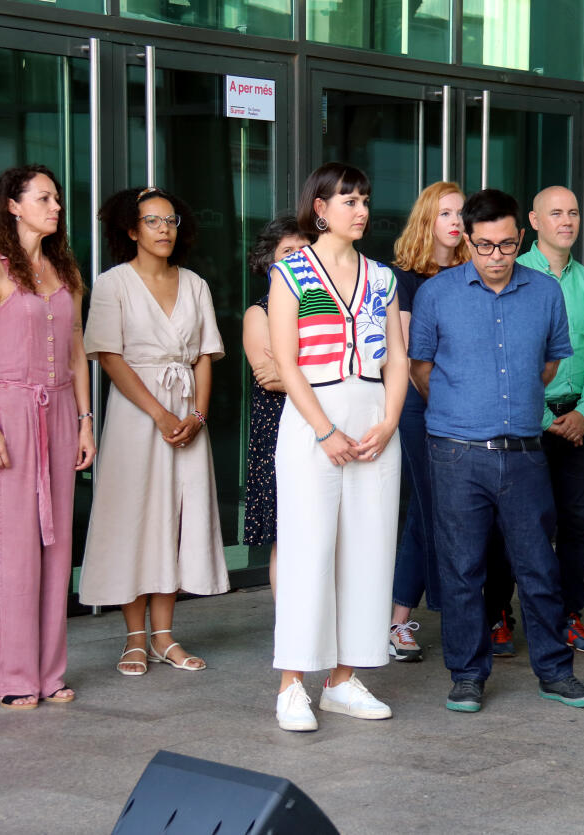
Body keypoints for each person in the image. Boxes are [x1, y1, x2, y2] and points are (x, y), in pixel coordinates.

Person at [409, 188, 584, 714]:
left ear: (522, 239)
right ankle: (468, 676)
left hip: (523, 451)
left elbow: (549, 365)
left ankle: (556, 673)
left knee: (538, 564)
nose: (496, 258)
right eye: (485, 247)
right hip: (455, 452)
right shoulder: (436, 294)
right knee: (464, 568)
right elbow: (421, 369)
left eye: (508, 247)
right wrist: (464, 407)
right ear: (467, 240)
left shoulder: (544, 293)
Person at [268, 163, 407, 733]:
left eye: (365, 199)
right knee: (308, 549)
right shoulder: (291, 273)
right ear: (319, 208)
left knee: (370, 551)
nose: (361, 209)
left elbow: (397, 357)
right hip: (312, 419)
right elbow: (286, 361)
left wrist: (390, 420)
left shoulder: (383, 277)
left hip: (374, 416)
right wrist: (325, 430)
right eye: (348, 199)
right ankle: (292, 684)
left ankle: (343, 679)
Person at [78, 186, 228, 676]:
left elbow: (205, 355)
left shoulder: (196, 284)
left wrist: (197, 415)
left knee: (177, 520)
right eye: (152, 222)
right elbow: (109, 357)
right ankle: (134, 638)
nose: (164, 230)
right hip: (135, 415)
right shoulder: (112, 283)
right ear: (130, 230)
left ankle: (165, 637)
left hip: (187, 414)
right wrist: (159, 414)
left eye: (170, 221)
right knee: (135, 519)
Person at [0, 164, 97, 709]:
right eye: (43, 197)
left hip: (62, 409)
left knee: (56, 544)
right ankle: (12, 677)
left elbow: (76, 350)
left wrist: (87, 420)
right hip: (11, 410)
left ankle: (49, 673)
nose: (56, 206)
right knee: (11, 548)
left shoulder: (63, 268)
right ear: (13, 206)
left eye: (57, 198)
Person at [484, 186, 584, 657]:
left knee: (576, 525)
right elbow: (510, 359)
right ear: (533, 224)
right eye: (556, 212)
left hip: (578, 421)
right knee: (513, 524)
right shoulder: (514, 277)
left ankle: (568, 615)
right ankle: (498, 613)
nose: (567, 220)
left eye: (573, 212)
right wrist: (541, 417)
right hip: (523, 424)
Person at [387, 181, 469, 662]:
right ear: (426, 220)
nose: (456, 222)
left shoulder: (472, 273)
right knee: (426, 506)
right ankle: (401, 622)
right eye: (446, 213)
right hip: (424, 407)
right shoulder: (405, 277)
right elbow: (412, 359)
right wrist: (450, 405)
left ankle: (404, 620)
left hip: (466, 407)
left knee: (436, 511)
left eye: (461, 213)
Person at [241, 216, 309, 597]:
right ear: (269, 262)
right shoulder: (259, 313)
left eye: (304, 251)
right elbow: (269, 376)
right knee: (285, 534)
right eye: (288, 252)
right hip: (278, 431)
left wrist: (295, 370)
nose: (299, 258)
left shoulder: (323, 308)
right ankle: (289, 629)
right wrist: (328, 371)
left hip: (324, 426)